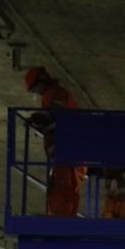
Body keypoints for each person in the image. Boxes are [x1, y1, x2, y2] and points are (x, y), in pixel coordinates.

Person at [23, 67, 84, 217]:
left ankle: (60, 221)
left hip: (67, 152)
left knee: (63, 191)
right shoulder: (50, 96)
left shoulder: (56, 94)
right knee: (62, 191)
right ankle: (60, 219)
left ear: (42, 80)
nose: (36, 92)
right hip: (65, 153)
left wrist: (39, 119)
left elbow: (57, 115)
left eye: (35, 88)